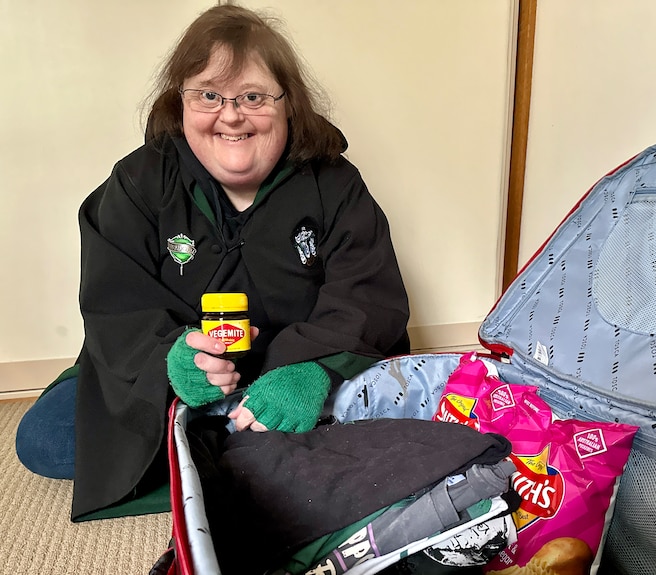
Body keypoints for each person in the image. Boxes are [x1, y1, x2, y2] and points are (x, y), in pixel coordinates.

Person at [15, 3, 410, 522]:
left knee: (396, 407)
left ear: (288, 103)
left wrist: (313, 369)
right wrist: (169, 360)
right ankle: (245, 436)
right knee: (44, 440)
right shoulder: (137, 182)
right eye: (208, 95)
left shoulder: (335, 184)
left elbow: (365, 295)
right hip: (179, 380)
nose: (230, 115)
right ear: (179, 103)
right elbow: (115, 301)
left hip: (288, 368)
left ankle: (242, 428)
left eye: (252, 96)